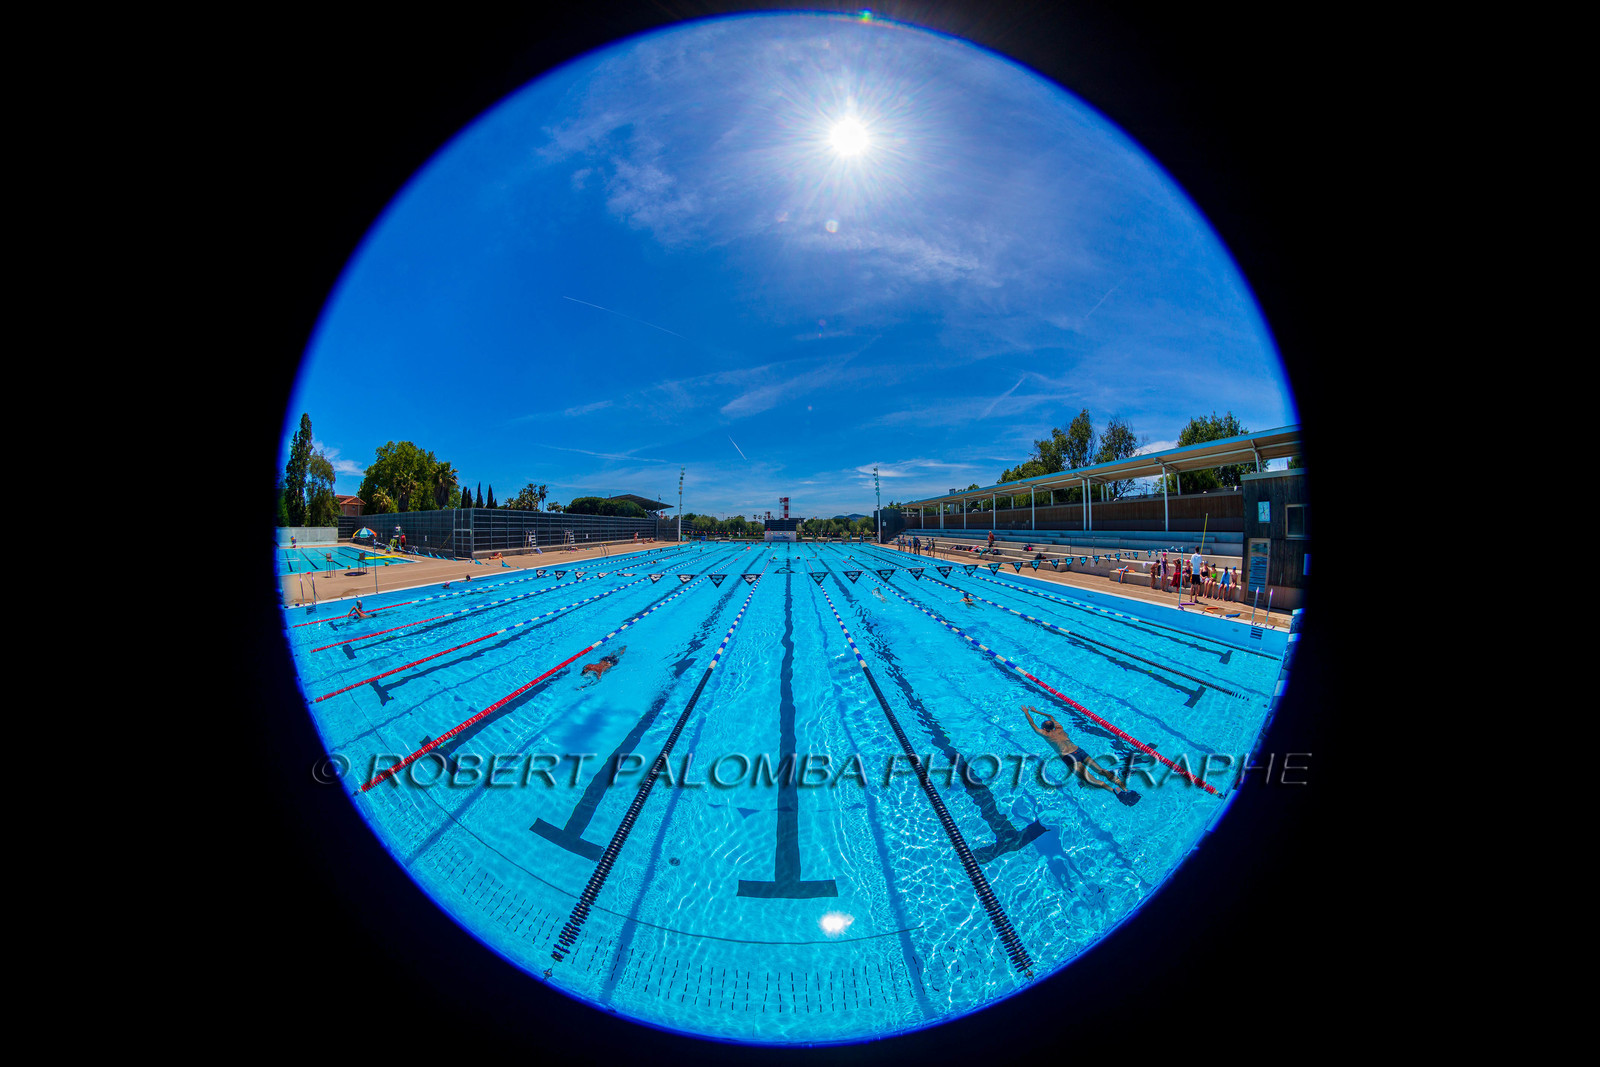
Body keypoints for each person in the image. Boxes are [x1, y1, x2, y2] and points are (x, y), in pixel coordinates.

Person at [1022, 704, 1139, 805]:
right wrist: (1036, 710)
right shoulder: (1059, 728)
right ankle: (1125, 789)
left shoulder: (1044, 734)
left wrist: (1027, 712)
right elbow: (1050, 716)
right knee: (1102, 771)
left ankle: (1115, 792)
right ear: (1052, 726)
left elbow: (1032, 723)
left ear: (1044, 728)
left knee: (1091, 780)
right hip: (1079, 751)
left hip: (1070, 757)